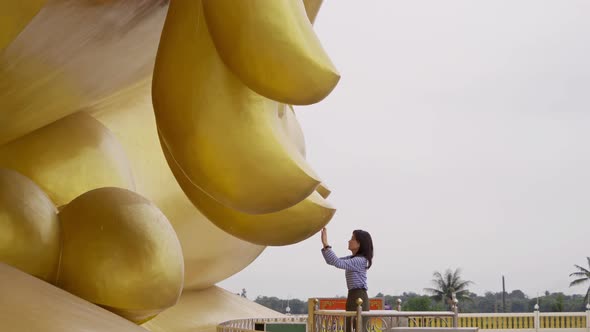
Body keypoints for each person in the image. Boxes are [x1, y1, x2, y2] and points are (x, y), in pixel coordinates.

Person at [321, 227, 374, 331]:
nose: (349, 241)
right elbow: (332, 261)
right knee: (349, 327)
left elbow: (337, 262)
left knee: (359, 328)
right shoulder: (352, 258)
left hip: (359, 296)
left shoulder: (360, 260)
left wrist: (326, 244)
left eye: (353, 238)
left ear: (359, 244)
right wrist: (325, 245)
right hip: (352, 295)